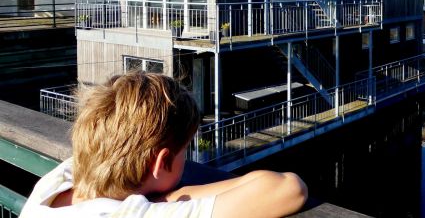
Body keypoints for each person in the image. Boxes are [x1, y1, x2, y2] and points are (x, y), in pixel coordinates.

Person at [20, 72, 307, 217]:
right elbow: (288, 189)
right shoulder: (129, 214)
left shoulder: (55, 182)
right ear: (161, 162)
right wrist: (164, 200)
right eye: (185, 151)